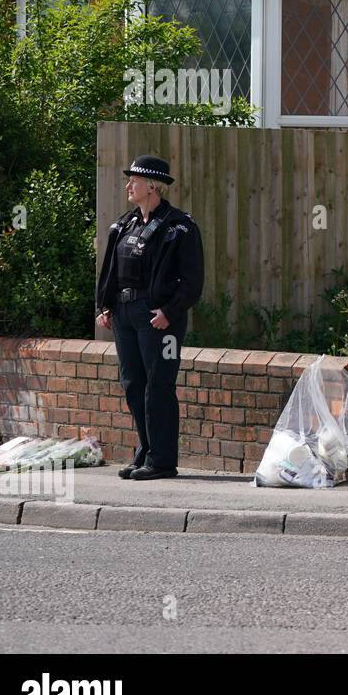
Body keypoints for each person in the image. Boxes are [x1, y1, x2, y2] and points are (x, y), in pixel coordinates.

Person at [95, 155, 204, 480]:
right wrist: (105, 305)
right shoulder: (125, 224)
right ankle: (145, 452)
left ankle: (162, 460)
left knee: (158, 386)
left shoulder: (180, 227)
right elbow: (111, 268)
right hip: (125, 314)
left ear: (153, 187)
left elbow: (193, 280)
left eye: (135, 181)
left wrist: (170, 312)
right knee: (133, 384)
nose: (129, 186)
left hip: (158, 318)